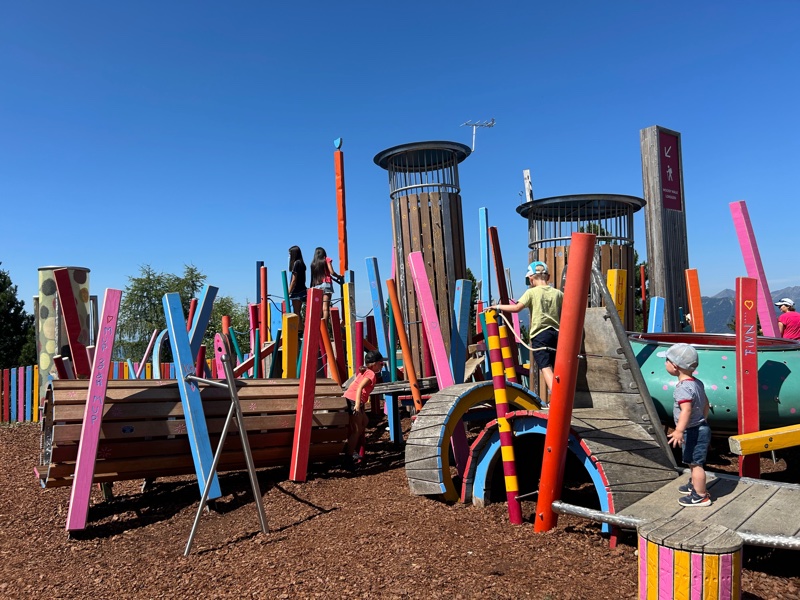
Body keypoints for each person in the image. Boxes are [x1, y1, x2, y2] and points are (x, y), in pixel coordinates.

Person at [494, 261, 563, 392]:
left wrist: (497, 307)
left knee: (546, 367)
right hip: (557, 334)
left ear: (530, 278)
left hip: (540, 335)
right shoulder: (558, 293)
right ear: (548, 277)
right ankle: (564, 395)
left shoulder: (531, 292)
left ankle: (557, 397)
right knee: (557, 367)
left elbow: (516, 308)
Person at [665, 343, 712, 507]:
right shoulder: (697, 383)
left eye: (666, 360)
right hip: (701, 426)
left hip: (692, 430)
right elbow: (706, 404)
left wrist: (679, 430)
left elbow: (686, 410)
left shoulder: (683, 388)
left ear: (675, 366)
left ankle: (700, 495)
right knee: (693, 461)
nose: (665, 363)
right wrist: (703, 419)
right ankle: (694, 485)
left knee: (695, 464)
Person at [342, 350, 384, 469]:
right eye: (381, 364)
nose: (382, 366)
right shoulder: (371, 374)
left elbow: (353, 385)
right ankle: (348, 457)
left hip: (350, 398)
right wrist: (356, 405)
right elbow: (360, 387)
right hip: (354, 401)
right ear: (374, 364)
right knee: (356, 430)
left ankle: (349, 447)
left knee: (365, 421)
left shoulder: (364, 371)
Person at [310, 247, 342, 324]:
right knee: (325, 308)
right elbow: (332, 272)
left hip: (316, 286)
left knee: (318, 308)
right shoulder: (327, 259)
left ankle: (318, 326)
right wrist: (338, 276)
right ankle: (325, 327)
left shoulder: (313, 263)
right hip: (326, 284)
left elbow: (313, 277)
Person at [287, 246, 307, 317]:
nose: (289, 256)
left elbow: (294, 280)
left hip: (296, 291)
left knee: (296, 312)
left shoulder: (296, 263)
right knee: (298, 312)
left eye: (290, 254)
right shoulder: (302, 263)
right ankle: (300, 325)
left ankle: (297, 325)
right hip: (302, 289)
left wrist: (288, 292)